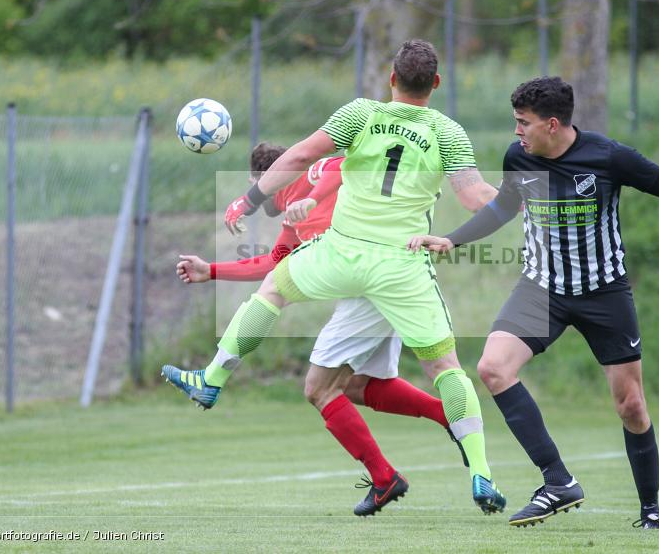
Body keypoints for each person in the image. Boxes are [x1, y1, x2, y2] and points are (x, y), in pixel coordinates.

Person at [408, 76, 659, 529]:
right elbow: (502, 208)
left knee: (631, 404)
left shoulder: (608, 157)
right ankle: (557, 481)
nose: (517, 132)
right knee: (493, 368)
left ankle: (650, 510)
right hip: (541, 290)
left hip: (604, 293)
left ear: (553, 124)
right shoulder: (519, 157)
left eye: (524, 123)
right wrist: (452, 239)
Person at [167, 40, 506, 515]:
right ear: (435, 84)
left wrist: (248, 200)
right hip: (399, 266)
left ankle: (214, 376)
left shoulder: (361, 114)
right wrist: (520, 198)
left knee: (276, 291)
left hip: (342, 252)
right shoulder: (446, 132)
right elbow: (475, 198)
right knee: (445, 368)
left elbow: (302, 155)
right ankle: (482, 476)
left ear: (391, 79)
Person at [162, 142, 469, 516]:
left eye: (260, 183)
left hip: (380, 279)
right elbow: (274, 263)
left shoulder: (318, 171)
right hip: (382, 282)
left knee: (319, 388)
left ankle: (386, 475)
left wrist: (318, 188)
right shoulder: (293, 219)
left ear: (272, 178)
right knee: (355, 385)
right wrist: (210, 270)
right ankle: (446, 418)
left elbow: (343, 164)